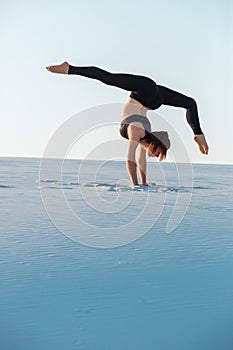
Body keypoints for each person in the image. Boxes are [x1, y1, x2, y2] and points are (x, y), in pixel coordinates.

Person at [46, 62, 209, 186]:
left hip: (155, 96)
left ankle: (198, 134)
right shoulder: (137, 130)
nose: (156, 156)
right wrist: (135, 184)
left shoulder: (143, 134)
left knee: (190, 103)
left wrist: (143, 183)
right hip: (146, 90)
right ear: (156, 145)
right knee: (109, 78)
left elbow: (141, 159)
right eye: (158, 153)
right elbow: (130, 158)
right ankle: (69, 69)